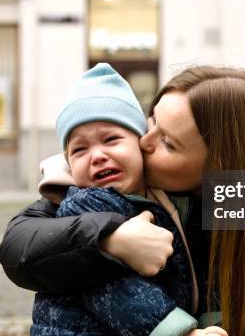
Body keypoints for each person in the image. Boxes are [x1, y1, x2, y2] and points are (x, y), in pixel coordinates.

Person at [0, 66, 245, 336]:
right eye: (151, 123)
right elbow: (20, 244)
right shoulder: (88, 194)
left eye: (166, 141)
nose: (143, 142)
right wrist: (106, 240)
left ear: (217, 167)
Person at [30, 63, 226, 336]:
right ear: (68, 164)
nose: (97, 155)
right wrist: (179, 331)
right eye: (79, 149)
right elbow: (113, 288)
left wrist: (212, 321)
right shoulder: (83, 205)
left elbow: (203, 267)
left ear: (139, 143)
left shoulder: (169, 199)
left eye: (111, 139)